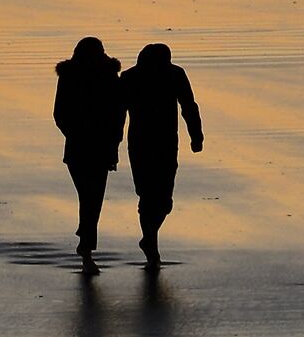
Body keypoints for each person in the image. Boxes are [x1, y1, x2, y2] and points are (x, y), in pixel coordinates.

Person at [119, 42, 203, 266]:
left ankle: (149, 237)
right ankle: (151, 245)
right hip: (141, 143)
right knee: (147, 195)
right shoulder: (130, 77)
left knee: (163, 200)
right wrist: (113, 144)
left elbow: (189, 106)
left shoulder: (175, 74)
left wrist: (196, 135)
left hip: (165, 143)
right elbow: (118, 114)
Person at [53, 36, 125, 263]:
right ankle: (86, 241)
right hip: (98, 144)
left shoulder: (70, 75)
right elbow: (118, 113)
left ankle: (86, 242)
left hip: (84, 145)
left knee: (88, 195)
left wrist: (74, 134)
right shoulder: (108, 75)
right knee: (92, 196)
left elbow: (60, 113)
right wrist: (114, 139)